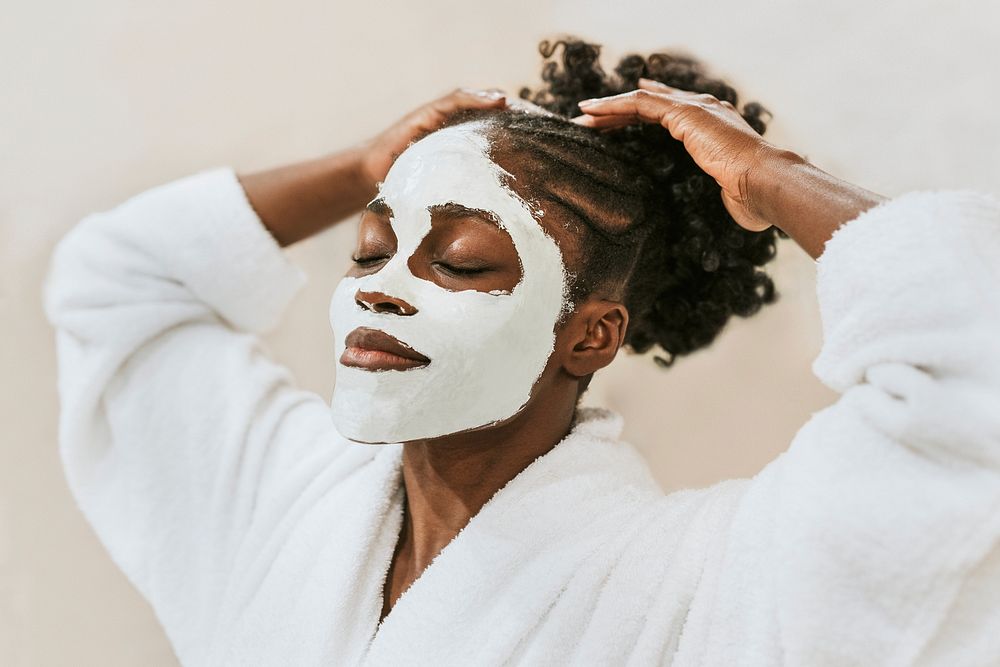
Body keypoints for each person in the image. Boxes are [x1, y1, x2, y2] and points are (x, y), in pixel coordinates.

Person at [43, 39, 1000, 666]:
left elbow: (977, 354)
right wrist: (361, 169)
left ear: (589, 334)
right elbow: (117, 282)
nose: (381, 283)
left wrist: (769, 176)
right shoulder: (282, 499)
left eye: (459, 262)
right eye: (371, 247)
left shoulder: (698, 584)